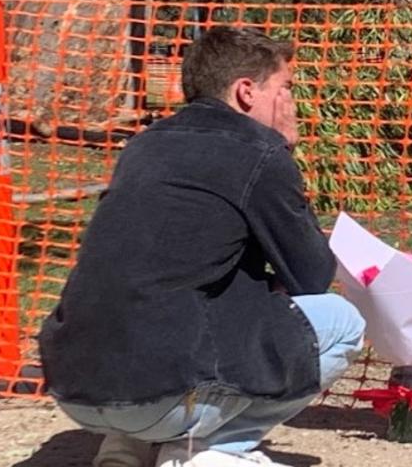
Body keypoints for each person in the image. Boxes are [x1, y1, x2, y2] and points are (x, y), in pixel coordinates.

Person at [37, 26, 366, 467]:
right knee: (343, 321)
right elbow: (311, 277)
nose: (289, 101)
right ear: (247, 91)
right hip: (163, 397)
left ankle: (123, 449)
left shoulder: (144, 144)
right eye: (283, 87)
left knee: (168, 303)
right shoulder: (260, 152)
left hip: (75, 386)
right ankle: (213, 451)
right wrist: (283, 148)